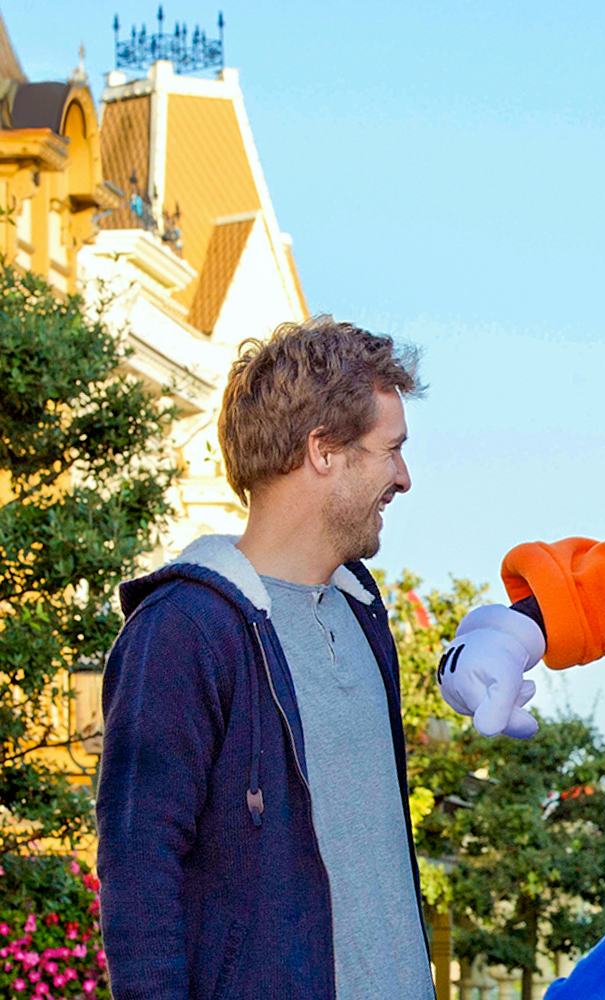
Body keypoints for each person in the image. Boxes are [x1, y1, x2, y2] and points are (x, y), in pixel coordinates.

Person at [96, 318, 433, 1000]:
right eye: (391, 450)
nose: (403, 477)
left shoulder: (362, 612)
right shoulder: (184, 631)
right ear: (323, 451)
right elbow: (138, 875)